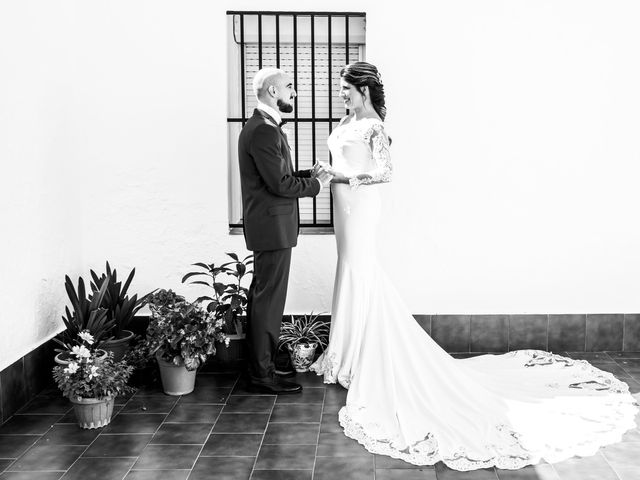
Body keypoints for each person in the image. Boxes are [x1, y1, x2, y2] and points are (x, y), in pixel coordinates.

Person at [310, 61, 638, 470]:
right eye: (341, 88)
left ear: (363, 89)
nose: (341, 93)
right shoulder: (345, 120)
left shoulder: (374, 126)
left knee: (361, 268)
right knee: (349, 267)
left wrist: (343, 176)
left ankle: (356, 354)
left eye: (346, 88)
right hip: (342, 204)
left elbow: (386, 172)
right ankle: (345, 350)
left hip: (358, 204)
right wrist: (331, 174)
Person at [238, 67, 333, 394]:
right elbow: (279, 184)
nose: (293, 92)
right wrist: (316, 185)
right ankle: (261, 375)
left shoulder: (262, 127)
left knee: (264, 298)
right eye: (288, 87)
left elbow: (278, 174)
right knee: (269, 302)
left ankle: (261, 367)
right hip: (272, 227)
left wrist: (309, 173)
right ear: (270, 91)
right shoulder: (263, 130)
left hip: (270, 226)